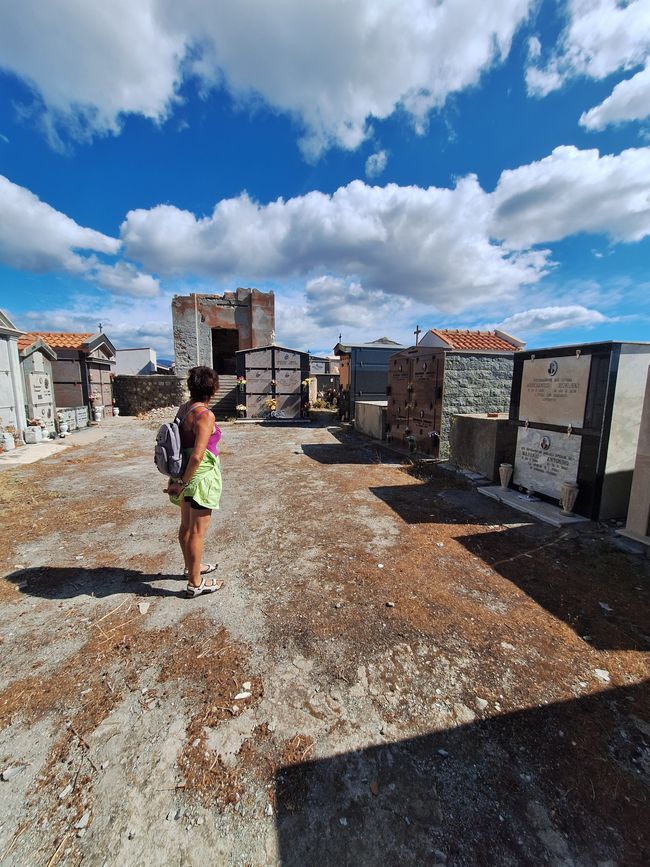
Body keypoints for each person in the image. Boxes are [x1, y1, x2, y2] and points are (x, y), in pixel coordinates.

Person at [164, 366, 224, 598]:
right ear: (214, 389)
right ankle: (195, 583)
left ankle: (192, 567)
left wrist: (178, 480)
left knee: (186, 527)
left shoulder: (183, 410)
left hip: (183, 474)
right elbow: (198, 455)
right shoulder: (205, 415)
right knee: (198, 532)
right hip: (198, 479)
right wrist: (184, 483)